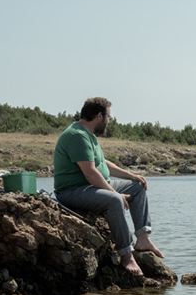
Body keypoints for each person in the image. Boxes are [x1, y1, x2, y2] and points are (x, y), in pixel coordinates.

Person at [53, 97, 163, 276]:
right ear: (99, 116)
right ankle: (126, 256)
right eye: (109, 117)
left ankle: (143, 239)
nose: (109, 121)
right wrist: (115, 194)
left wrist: (132, 176)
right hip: (73, 191)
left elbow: (103, 164)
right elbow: (90, 173)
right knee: (113, 201)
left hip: (91, 186)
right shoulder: (76, 136)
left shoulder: (89, 134)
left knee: (137, 187)